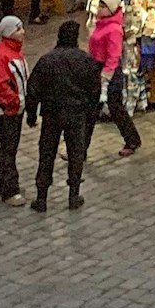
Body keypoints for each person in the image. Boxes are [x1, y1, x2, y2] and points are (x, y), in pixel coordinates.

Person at [25, 18, 103, 212]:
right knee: (75, 153)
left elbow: (33, 89)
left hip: (52, 114)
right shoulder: (85, 61)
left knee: (47, 153)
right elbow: (95, 92)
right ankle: (73, 195)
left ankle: (41, 197)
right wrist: (90, 115)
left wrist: (32, 115)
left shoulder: (47, 60)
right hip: (76, 115)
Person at [87, 0, 142, 156]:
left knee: (114, 107)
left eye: (103, 6)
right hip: (97, 68)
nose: (99, 9)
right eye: (99, 5)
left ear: (111, 9)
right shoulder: (101, 24)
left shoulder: (113, 29)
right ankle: (79, 150)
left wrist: (105, 77)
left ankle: (132, 140)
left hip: (108, 72)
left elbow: (114, 55)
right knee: (91, 110)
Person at [0, 18, 28, 205]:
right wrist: (14, 103)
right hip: (7, 110)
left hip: (15, 108)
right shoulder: (2, 55)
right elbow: (0, 86)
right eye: (18, 29)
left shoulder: (13, 51)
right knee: (9, 149)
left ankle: (1, 183)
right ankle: (10, 190)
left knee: (8, 146)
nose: (22, 32)